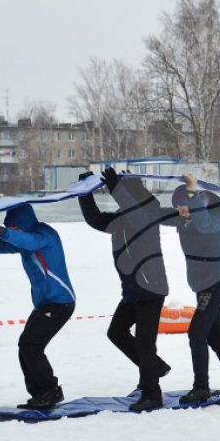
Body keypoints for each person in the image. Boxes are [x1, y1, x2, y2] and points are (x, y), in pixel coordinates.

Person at [78, 168, 172, 412]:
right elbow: (95, 219)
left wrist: (115, 187)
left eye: (123, 191)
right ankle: (155, 368)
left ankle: (152, 394)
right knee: (117, 332)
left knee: (145, 342)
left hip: (150, 288)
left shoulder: (148, 212)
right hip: (132, 289)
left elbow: (137, 215)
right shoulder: (122, 218)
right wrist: (84, 193)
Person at [0, 199, 76, 409]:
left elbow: (29, 241)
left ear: (23, 223)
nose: (13, 230)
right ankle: (41, 394)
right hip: (45, 304)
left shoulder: (44, 234)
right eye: (11, 228)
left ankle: (50, 391)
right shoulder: (24, 238)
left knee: (30, 344)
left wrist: (3, 231)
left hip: (60, 302)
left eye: (15, 227)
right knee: (25, 346)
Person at [167, 175, 220, 404]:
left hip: (216, 281)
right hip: (202, 284)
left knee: (197, 332)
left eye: (184, 206)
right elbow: (152, 215)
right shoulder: (185, 218)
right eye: (177, 208)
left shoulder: (214, 217)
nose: (181, 212)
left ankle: (201, 387)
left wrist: (191, 195)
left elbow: (203, 223)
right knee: (214, 334)